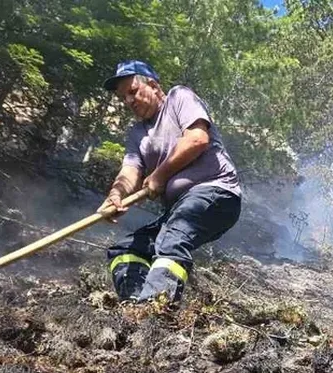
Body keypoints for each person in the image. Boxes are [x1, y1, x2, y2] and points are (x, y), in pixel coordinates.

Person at [96, 60, 242, 304]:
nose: (129, 101)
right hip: (181, 208)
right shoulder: (136, 134)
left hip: (216, 192)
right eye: (123, 98)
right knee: (127, 250)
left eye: (132, 91)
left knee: (172, 239)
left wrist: (160, 175)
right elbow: (130, 169)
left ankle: (155, 310)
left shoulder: (179, 97)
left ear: (152, 85)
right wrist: (115, 195)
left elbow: (197, 139)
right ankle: (134, 305)